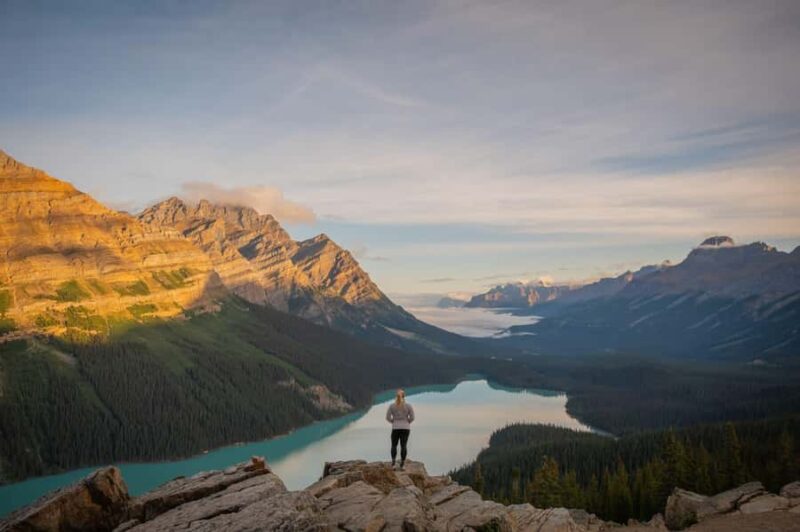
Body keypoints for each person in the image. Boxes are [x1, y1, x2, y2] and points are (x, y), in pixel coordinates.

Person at [385, 388, 415, 470]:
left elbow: (387, 417)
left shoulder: (392, 406)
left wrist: (393, 422)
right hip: (405, 428)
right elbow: (412, 417)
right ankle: (402, 464)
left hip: (395, 428)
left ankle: (393, 464)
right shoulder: (408, 406)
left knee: (394, 445)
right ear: (404, 396)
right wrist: (407, 422)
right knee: (403, 446)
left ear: (396, 396)